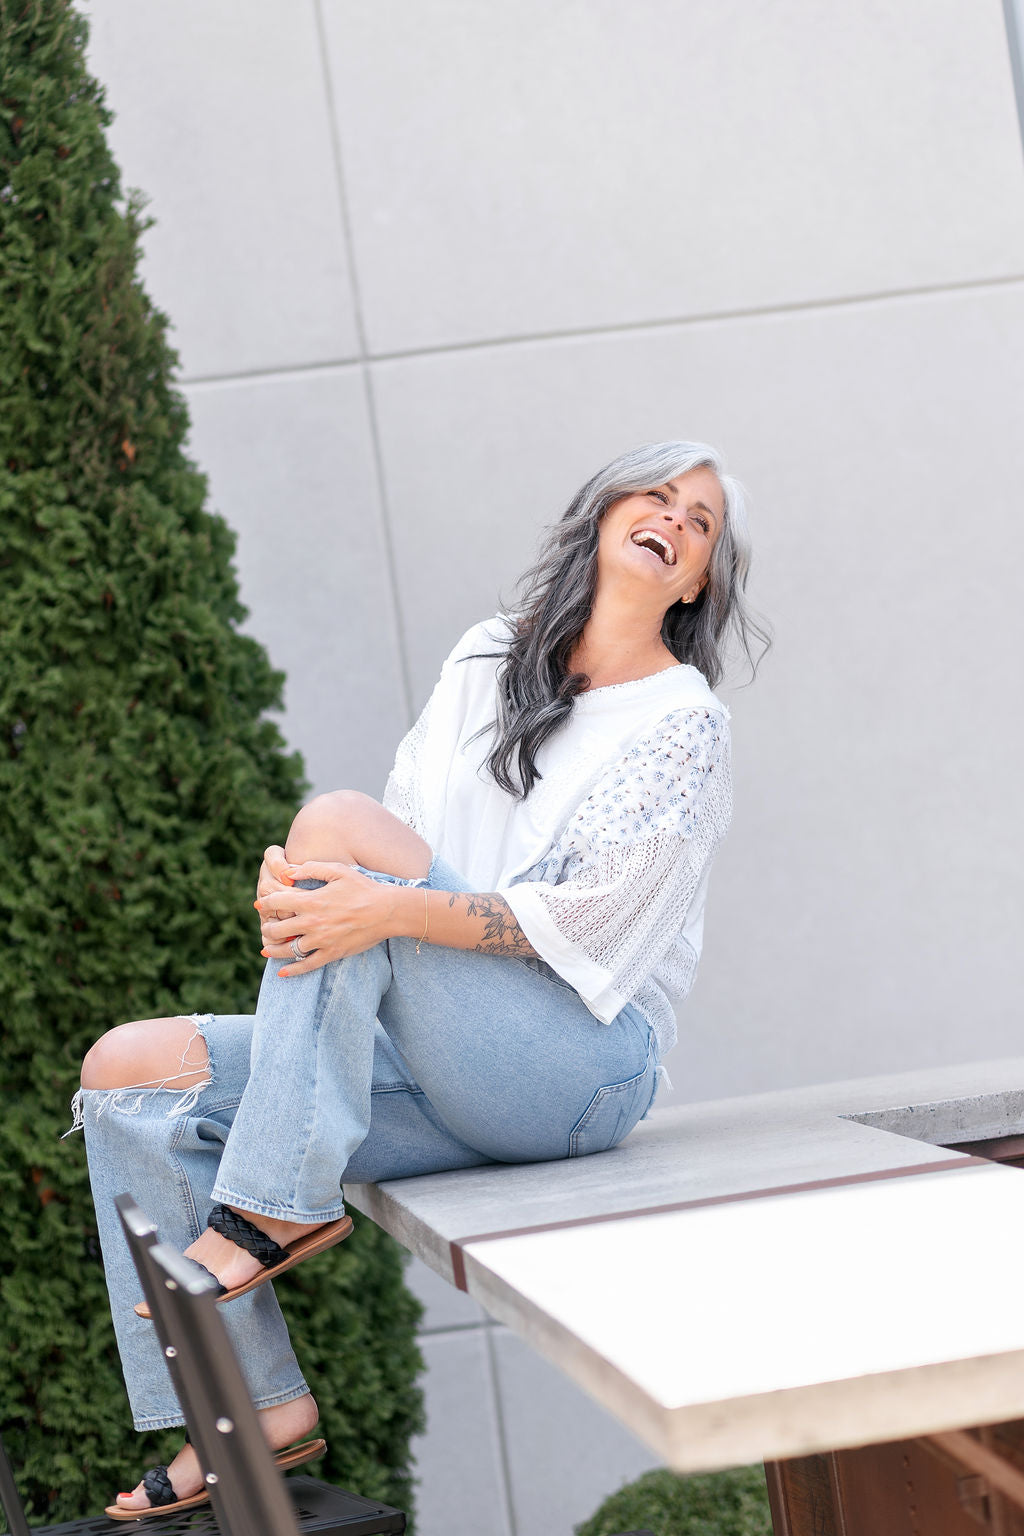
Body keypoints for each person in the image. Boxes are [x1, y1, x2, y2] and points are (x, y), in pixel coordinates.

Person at [72, 439, 765, 1517]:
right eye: (657, 496)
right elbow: (399, 842)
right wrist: (306, 887)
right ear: (600, 515)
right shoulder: (486, 657)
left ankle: (276, 1203)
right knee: (127, 1073)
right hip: (437, 1058)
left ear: (697, 585)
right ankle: (249, 1408)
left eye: (700, 522)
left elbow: (600, 928)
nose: (673, 519)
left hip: (577, 1072)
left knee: (339, 828)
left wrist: (376, 897)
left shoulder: (683, 725)